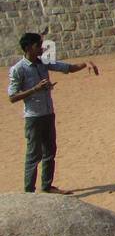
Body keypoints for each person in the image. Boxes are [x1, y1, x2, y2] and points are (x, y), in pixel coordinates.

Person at [8, 32, 98, 194]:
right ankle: (29, 192)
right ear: (28, 48)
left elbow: (67, 68)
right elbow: (12, 97)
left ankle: (47, 186)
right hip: (33, 117)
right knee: (33, 155)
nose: (42, 48)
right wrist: (36, 89)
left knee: (50, 151)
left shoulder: (43, 63)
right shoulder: (18, 69)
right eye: (38, 45)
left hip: (48, 114)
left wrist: (86, 63)